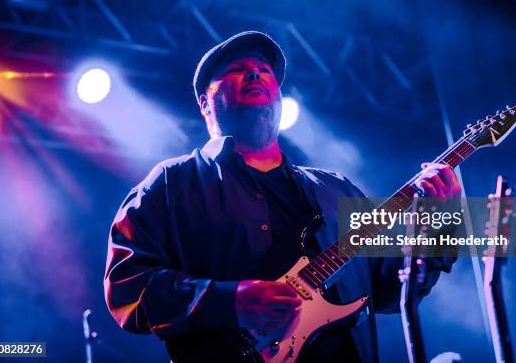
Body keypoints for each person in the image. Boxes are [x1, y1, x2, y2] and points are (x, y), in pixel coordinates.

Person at [104, 31, 461, 362]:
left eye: (263, 70)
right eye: (236, 69)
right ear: (204, 103)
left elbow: (393, 288)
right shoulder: (172, 183)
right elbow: (126, 286)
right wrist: (230, 301)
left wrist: (440, 222)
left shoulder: (335, 190)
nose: (255, 75)